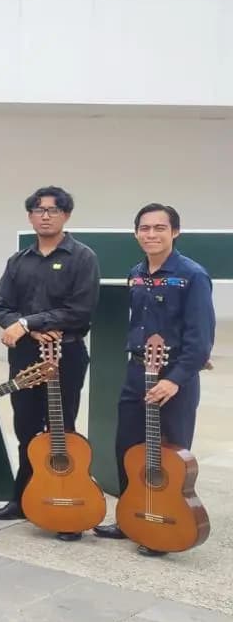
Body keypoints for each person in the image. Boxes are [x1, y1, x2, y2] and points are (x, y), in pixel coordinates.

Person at [94, 203, 216, 553]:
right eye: (144, 229)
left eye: (159, 228)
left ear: (175, 232)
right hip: (137, 372)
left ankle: (165, 520)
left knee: (172, 456)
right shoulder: (137, 273)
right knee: (128, 448)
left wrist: (175, 378)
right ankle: (129, 516)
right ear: (136, 234)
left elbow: (200, 337)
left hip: (175, 377)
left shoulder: (192, 275)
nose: (151, 235)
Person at [0, 186, 100, 528]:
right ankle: (23, 499)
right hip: (25, 356)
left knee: (61, 430)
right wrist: (28, 330)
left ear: (66, 215)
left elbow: (79, 312)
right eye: (38, 210)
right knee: (26, 431)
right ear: (30, 216)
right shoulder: (18, 261)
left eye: (52, 210)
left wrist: (26, 322)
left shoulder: (83, 257)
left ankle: (66, 506)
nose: (45, 215)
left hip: (68, 354)